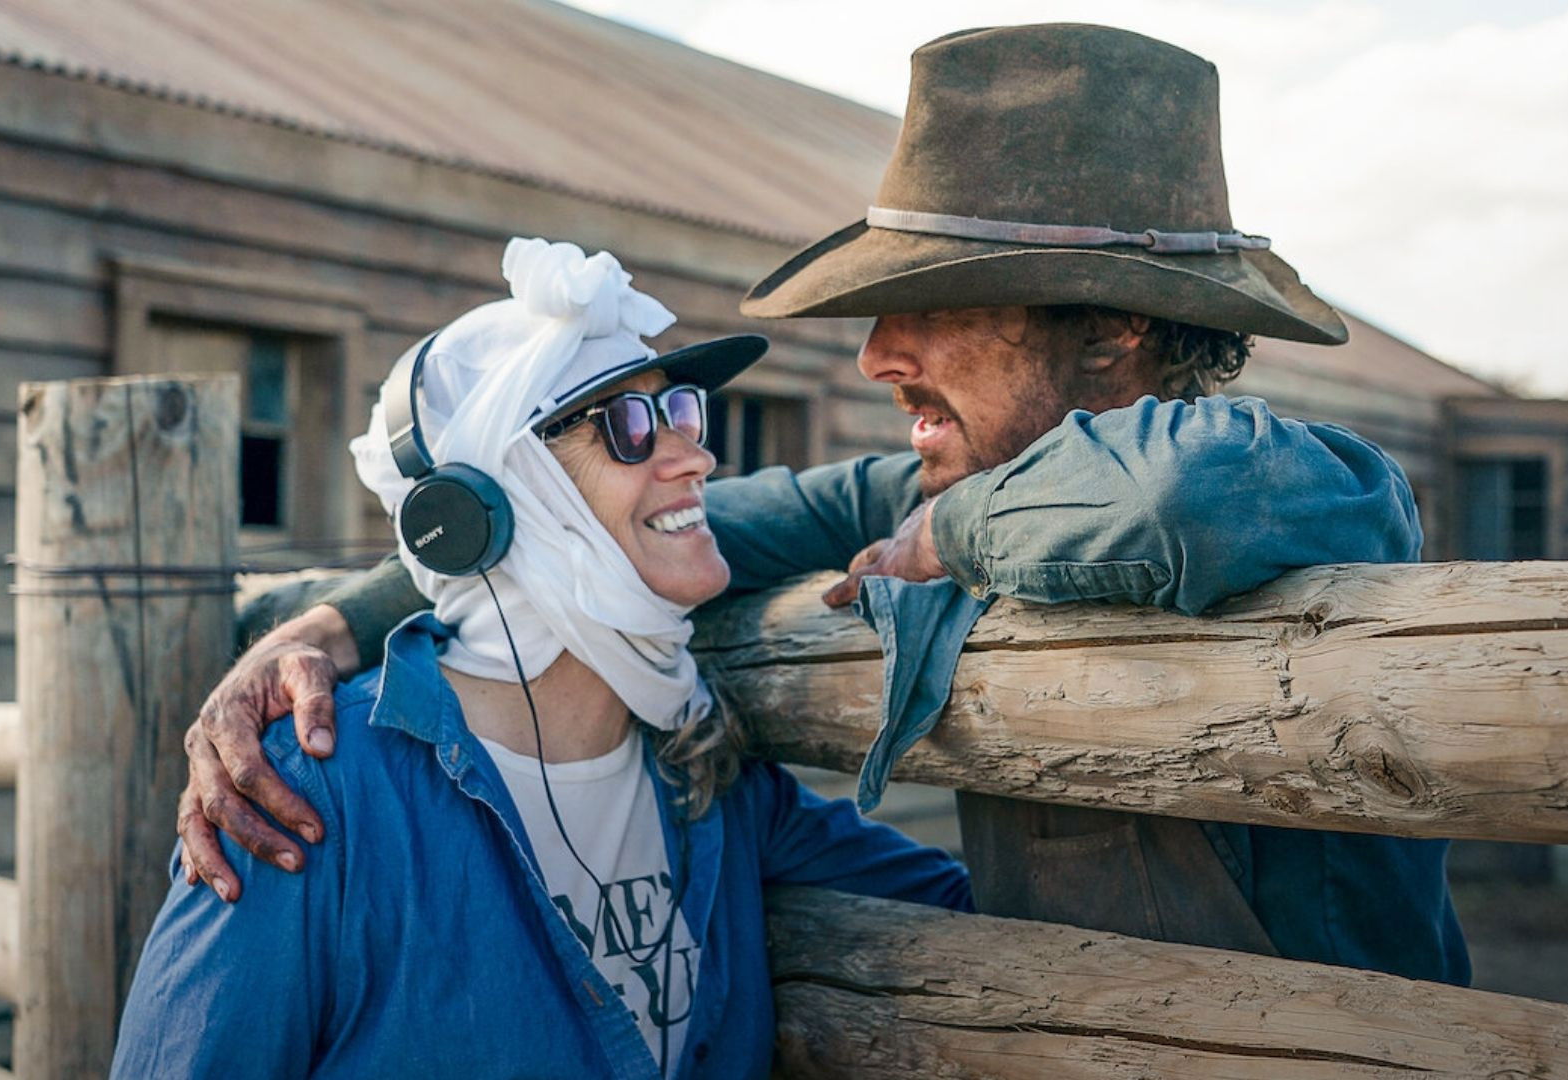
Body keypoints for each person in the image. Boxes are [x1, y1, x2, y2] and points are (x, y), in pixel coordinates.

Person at [178, 24, 1469, 984]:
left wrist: (942, 540)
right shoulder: (928, 481)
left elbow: (1172, 505)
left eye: (938, 306)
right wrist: (329, 630)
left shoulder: (1289, 476)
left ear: (1115, 326)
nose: (876, 357)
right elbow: (629, 529)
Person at [112, 239, 969, 1079]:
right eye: (632, 426)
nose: (697, 455)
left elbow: (988, 925)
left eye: (682, 414)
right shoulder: (307, 794)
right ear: (491, 500)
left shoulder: (713, 788)